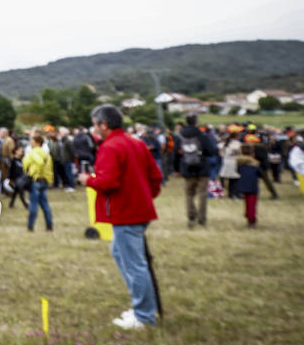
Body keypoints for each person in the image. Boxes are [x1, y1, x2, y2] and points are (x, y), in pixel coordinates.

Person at [78, 104, 162, 330]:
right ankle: (142, 307)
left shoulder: (110, 147)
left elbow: (107, 182)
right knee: (120, 252)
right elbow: (156, 177)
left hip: (125, 212)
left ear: (103, 125)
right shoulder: (137, 143)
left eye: (95, 125)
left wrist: (88, 180)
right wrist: (145, 196)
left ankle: (144, 315)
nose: (94, 129)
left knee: (134, 264)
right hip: (138, 210)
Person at [178, 114, 212, 227]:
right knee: (202, 194)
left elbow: (175, 153)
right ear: (196, 122)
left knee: (189, 194)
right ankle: (202, 219)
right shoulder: (201, 135)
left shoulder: (180, 136)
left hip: (187, 168)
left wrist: (177, 168)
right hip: (202, 167)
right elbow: (211, 150)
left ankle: (191, 217)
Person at [23, 130, 54, 231]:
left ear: (37, 142)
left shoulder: (33, 152)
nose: (30, 143)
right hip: (44, 181)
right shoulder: (46, 154)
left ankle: (30, 226)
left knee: (33, 205)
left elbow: (37, 163)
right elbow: (49, 168)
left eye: (31, 141)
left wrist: (35, 174)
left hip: (35, 181)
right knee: (45, 204)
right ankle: (49, 225)